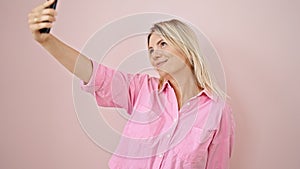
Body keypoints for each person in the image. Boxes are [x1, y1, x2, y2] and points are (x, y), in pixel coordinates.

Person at [28, 0, 235, 168]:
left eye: (163, 43)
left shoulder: (218, 112)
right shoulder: (141, 88)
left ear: (188, 50)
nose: (155, 53)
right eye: (151, 49)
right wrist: (47, 41)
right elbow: (93, 73)